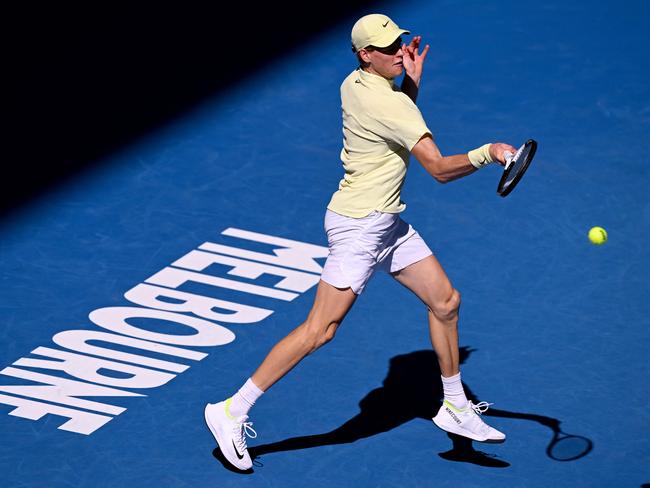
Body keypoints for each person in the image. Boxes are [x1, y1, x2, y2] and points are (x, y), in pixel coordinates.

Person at [204, 13, 517, 471]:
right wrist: (489, 153)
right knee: (320, 331)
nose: (399, 53)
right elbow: (440, 170)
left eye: (400, 44)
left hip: (384, 221)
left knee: (446, 302)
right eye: (388, 49)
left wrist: (409, 84)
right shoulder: (391, 104)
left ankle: (454, 405)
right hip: (360, 227)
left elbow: (395, 123)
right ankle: (231, 409)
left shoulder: (355, 84)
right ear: (365, 54)